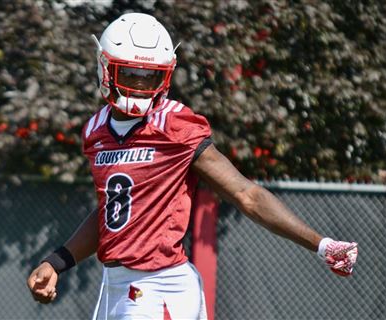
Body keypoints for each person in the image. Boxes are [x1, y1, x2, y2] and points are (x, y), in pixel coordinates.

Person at [27, 12, 358, 320]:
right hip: (114, 286)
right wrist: (58, 261)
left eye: (149, 77)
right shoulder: (96, 130)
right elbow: (111, 211)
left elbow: (247, 194)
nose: (139, 86)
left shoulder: (175, 124)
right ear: (105, 67)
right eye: (130, 73)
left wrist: (320, 243)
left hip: (160, 287)